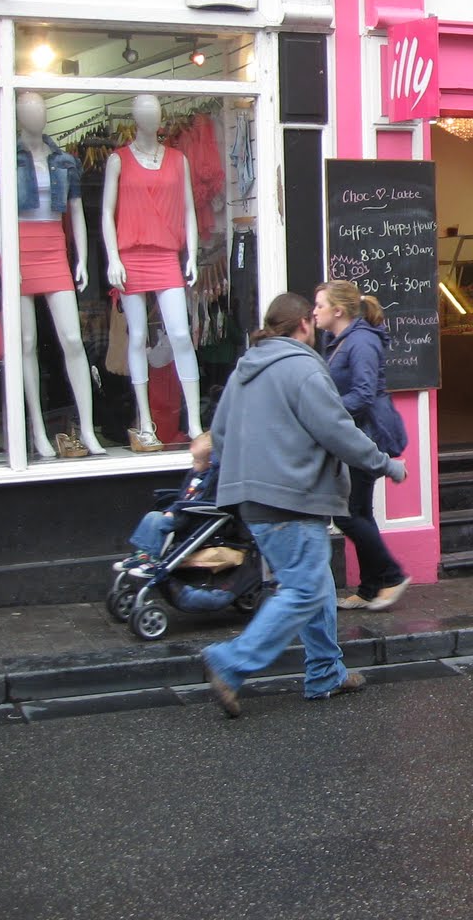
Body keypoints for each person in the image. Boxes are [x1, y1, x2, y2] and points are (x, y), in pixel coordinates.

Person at [201, 292, 407, 719]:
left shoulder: (245, 368)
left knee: (317, 584)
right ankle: (232, 661)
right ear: (304, 326)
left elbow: (219, 433)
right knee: (304, 589)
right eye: (311, 317)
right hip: (292, 499)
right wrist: (385, 464)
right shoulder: (303, 368)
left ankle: (325, 671)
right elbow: (337, 431)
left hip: (253, 501)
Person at [0, 90, 106, 459]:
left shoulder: (64, 160)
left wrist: (82, 258)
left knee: (72, 339)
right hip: (19, 246)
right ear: (19, 116)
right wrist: (9, 257)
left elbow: (76, 212)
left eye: (41, 110)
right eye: (29, 111)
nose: (37, 116)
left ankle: (88, 429)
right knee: (26, 343)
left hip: (53, 247)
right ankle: (37, 430)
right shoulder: (4, 159)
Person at [102, 93, 204, 450]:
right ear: (135, 118)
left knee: (180, 334)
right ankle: (146, 423)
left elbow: (189, 209)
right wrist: (113, 258)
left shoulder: (178, 160)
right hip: (131, 256)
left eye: (156, 113)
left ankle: (194, 422)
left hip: (166, 255)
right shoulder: (118, 160)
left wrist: (192, 254)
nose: (152, 119)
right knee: (137, 337)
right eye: (145, 113)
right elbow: (106, 212)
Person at [313, 279, 411, 612]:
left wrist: (324, 411)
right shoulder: (339, 340)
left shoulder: (361, 342)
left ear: (338, 310)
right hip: (355, 433)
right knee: (359, 511)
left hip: (369, 434)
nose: (314, 312)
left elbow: (364, 394)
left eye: (320, 305)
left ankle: (392, 575)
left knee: (348, 514)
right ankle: (370, 588)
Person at [113, 430, 217, 571]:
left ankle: (152, 558)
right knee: (152, 516)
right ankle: (143, 554)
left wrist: (174, 511)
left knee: (158, 521)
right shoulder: (194, 474)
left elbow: (202, 499)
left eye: (197, 461)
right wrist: (171, 510)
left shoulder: (213, 478)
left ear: (211, 462)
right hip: (182, 511)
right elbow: (182, 496)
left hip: (193, 517)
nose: (193, 464)